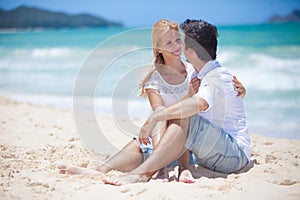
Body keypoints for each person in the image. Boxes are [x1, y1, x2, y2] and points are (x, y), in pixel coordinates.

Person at [58, 19, 247, 184]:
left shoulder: (199, 73)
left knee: (182, 115)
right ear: (158, 48)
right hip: (196, 146)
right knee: (145, 146)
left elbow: (202, 101)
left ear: (190, 50)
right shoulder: (194, 74)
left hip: (222, 151)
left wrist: (239, 88)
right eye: (169, 42)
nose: (177, 46)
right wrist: (159, 116)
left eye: (179, 40)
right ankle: (100, 171)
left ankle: (148, 173)